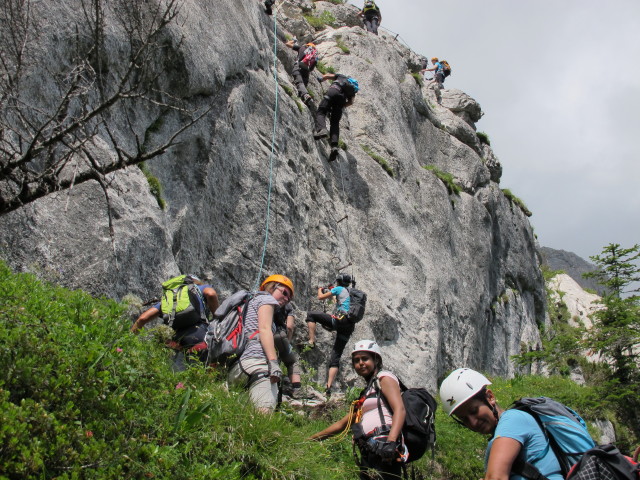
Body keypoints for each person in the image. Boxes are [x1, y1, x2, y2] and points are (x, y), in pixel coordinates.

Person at [439, 368, 565, 480]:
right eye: (464, 419)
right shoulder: (497, 438)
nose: (473, 422)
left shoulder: (512, 420)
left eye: (474, 411)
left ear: (490, 397)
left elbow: (496, 477)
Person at [311, 340, 407, 480]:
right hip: (369, 450)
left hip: (385, 446)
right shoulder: (365, 394)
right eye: (356, 360)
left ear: (376, 360)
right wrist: (312, 439)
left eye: (365, 358)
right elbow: (342, 424)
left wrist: (391, 442)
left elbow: (400, 409)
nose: (360, 363)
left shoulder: (384, 378)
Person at [227, 274, 294, 413]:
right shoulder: (266, 299)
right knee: (264, 415)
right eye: (284, 292)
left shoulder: (249, 302)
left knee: (243, 417)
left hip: (238, 367)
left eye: (289, 298)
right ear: (272, 287)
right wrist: (273, 362)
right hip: (258, 364)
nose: (286, 299)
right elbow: (264, 329)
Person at [131, 275, 219, 370]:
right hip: (199, 334)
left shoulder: (168, 300)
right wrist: (217, 318)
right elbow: (211, 294)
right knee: (210, 370)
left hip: (177, 342)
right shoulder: (198, 289)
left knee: (183, 374)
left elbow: (142, 319)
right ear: (194, 282)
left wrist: (128, 342)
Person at [305, 273, 355, 395]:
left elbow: (320, 298)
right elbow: (337, 299)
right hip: (349, 325)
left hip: (339, 320)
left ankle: (311, 340)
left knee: (311, 315)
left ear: (339, 282)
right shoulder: (353, 292)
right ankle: (328, 387)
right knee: (336, 355)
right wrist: (333, 292)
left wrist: (319, 290)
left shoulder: (339, 289)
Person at [313, 73, 359, 161]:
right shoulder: (352, 90)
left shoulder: (342, 76)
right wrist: (341, 105)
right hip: (341, 100)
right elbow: (351, 102)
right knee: (334, 122)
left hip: (333, 91)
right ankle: (334, 146)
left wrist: (320, 79)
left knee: (321, 112)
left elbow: (327, 76)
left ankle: (322, 129)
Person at [273, 302, 303, 397]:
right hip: (280, 335)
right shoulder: (288, 305)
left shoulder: (266, 300)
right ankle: (297, 389)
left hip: (266, 334)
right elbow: (290, 327)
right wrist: (288, 341)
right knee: (292, 362)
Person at [285, 40, 319, 107]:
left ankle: (305, 95)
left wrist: (293, 40)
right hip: (306, 71)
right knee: (303, 84)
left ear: (307, 45)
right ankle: (304, 99)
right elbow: (311, 68)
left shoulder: (302, 48)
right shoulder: (315, 55)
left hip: (299, 66)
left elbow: (287, 44)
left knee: (299, 82)